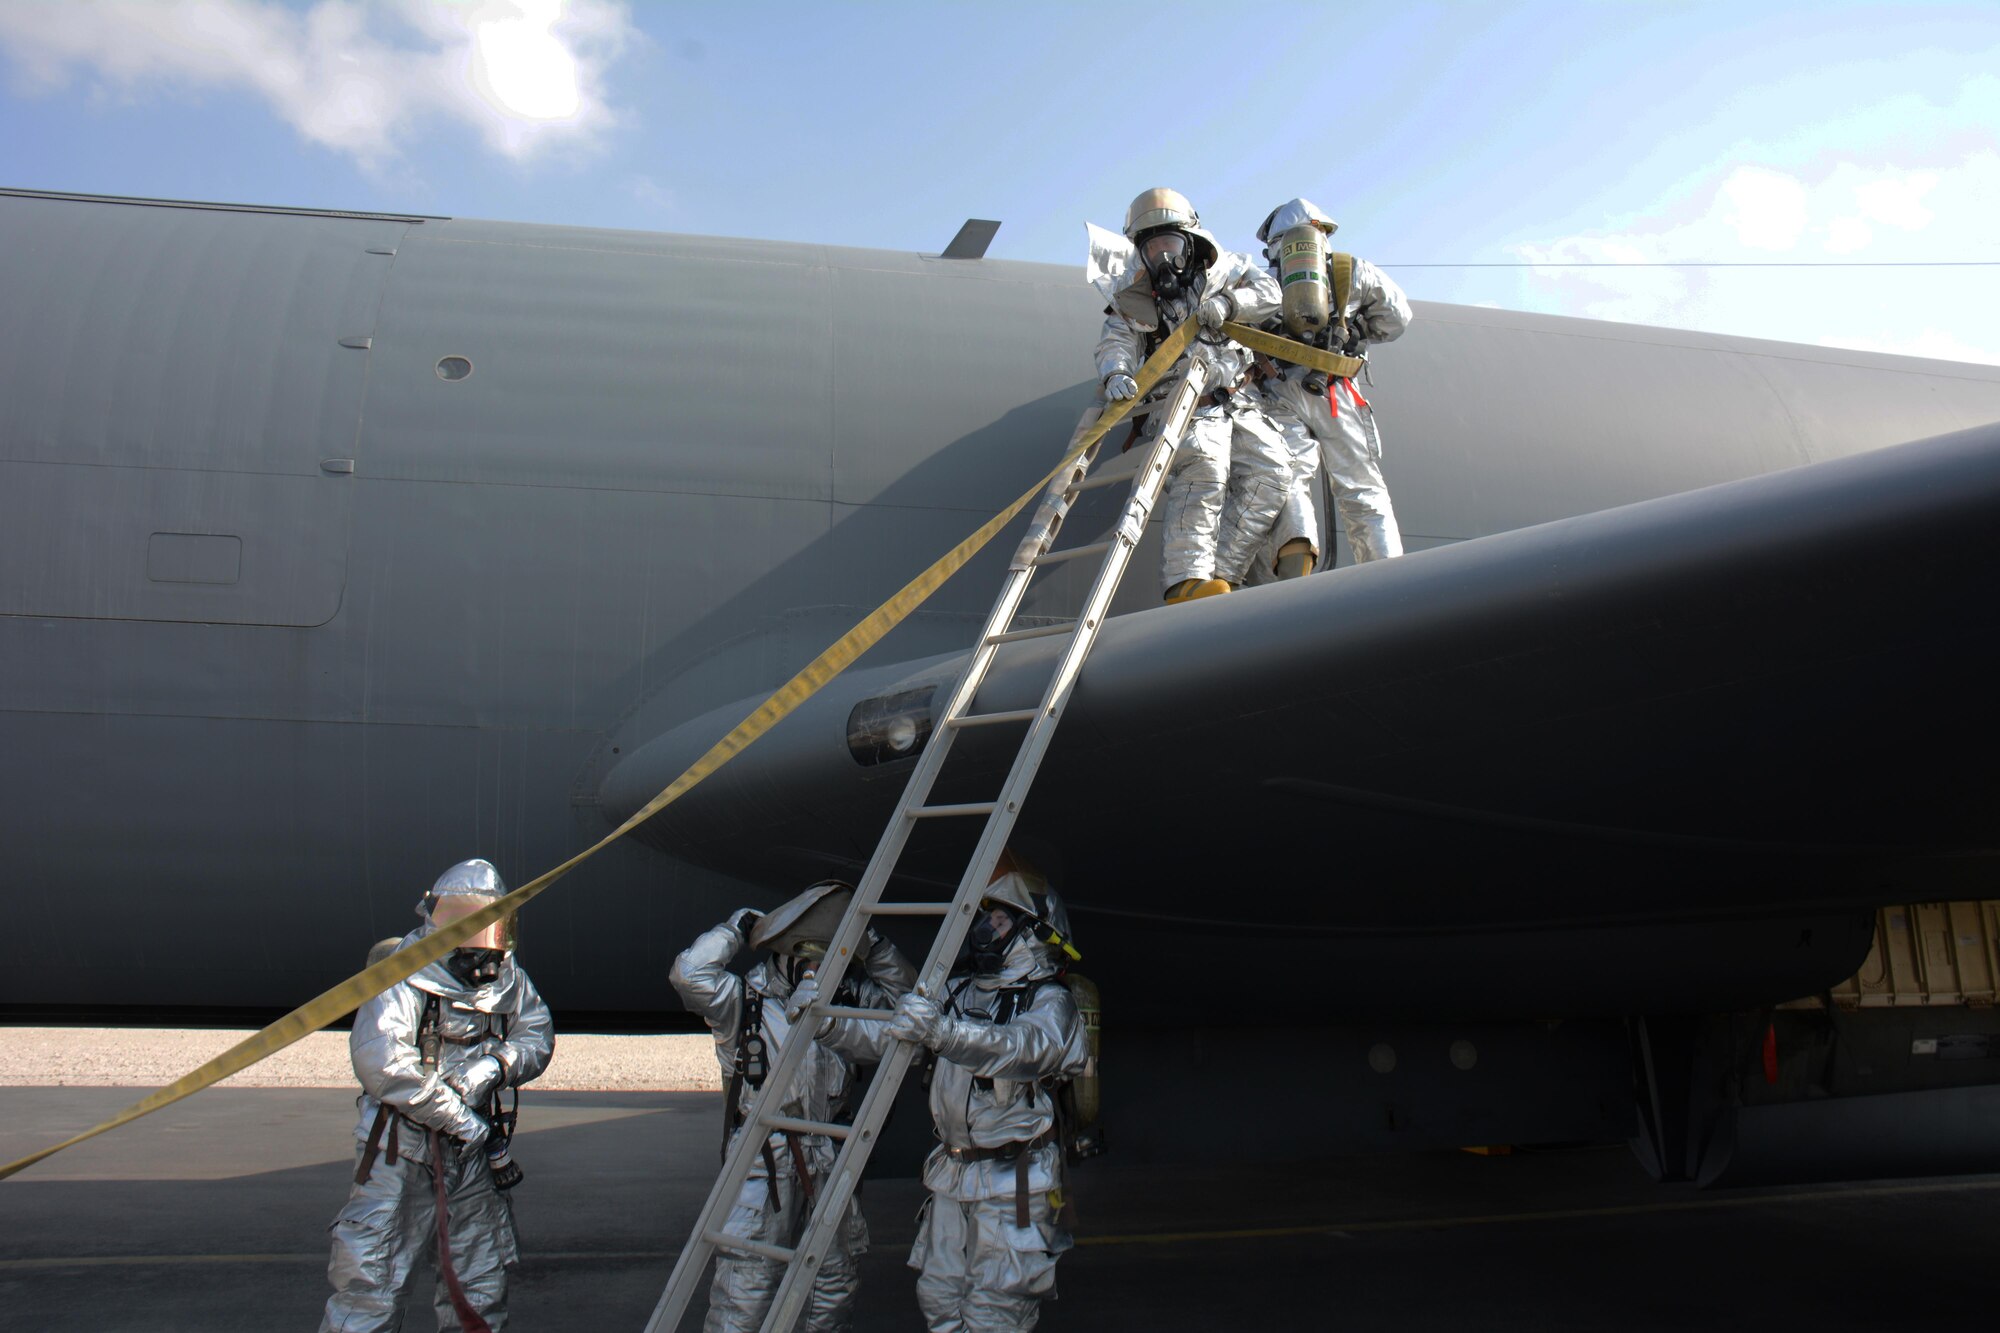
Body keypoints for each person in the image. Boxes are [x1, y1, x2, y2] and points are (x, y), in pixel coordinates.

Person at [823, 861, 1090, 1332]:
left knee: (996, 1312)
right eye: (986, 918)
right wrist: (829, 1025)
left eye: (1002, 920)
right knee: (939, 1297)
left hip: (1017, 1185)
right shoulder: (959, 990)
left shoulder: (1051, 1001)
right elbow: (893, 1039)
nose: (987, 929)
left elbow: (1024, 1048)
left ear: (1033, 931)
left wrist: (944, 1031)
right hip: (953, 1175)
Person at [670, 881, 915, 1333]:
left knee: (833, 1284)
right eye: (806, 955)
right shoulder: (744, 1001)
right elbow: (689, 975)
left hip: (828, 1157)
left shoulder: (851, 1004)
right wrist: (735, 929)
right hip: (764, 1163)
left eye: (827, 957)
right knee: (746, 1289)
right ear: (783, 954)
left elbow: (911, 1017)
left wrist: (873, 944)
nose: (815, 968)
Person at [322, 858, 554, 1333]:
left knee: (479, 1285)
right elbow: (384, 1066)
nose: (476, 934)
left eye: (488, 920)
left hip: (469, 1161)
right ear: (433, 918)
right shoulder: (402, 975)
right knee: (373, 1285)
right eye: (459, 918)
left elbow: (538, 1036)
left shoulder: (509, 981)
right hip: (401, 1154)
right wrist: (462, 1119)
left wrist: (492, 1067)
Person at [1089, 188, 1296, 602]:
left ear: (1190, 242)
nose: (1162, 257)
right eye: (1153, 248)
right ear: (1141, 253)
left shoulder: (1229, 271)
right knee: (1204, 465)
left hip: (1236, 399)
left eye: (1170, 245)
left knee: (1273, 474)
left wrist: (1232, 304)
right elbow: (1116, 341)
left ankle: (1223, 574)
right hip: (1183, 405)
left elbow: (1272, 293)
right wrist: (1116, 373)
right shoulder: (1133, 299)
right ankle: (1186, 580)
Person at [1251, 196, 1414, 573]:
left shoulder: (1261, 280)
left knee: (1288, 475)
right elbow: (1398, 318)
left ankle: (1298, 556)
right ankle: (1387, 575)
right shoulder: (1349, 270)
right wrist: (1356, 332)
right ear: (1321, 231)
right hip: (1336, 388)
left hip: (1278, 390)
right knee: (1362, 489)